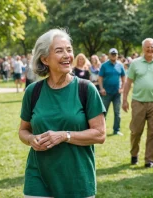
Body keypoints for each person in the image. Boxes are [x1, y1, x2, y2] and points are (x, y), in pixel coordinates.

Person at [19, 28, 106, 198]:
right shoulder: (33, 91)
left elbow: (100, 134)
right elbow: (23, 130)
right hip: (38, 178)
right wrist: (30, 139)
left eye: (69, 50)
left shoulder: (86, 89)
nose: (67, 55)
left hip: (77, 180)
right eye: (59, 51)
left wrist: (65, 135)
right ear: (45, 59)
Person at [122, 38, 153, 168]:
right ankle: (134, 154)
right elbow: (128, 82)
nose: (150, 49)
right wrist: (124, 99)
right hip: (138, 102)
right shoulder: (135, 63)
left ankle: (149, 160)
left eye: (152, 47)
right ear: (143, 48)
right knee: (136, 131)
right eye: (147, 47)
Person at [98, 48, 126, 136]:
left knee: (117, 112)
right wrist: (101, 88)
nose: (113, 55)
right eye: (112, 54)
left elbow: (123, 78)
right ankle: (101, 130)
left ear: (117, 55)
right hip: (106, 93)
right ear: (109, 55)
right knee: (103, 112)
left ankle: (116, 130)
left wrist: (122, 88)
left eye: (115, 54)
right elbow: (100, 78)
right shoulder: (104, 65)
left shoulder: (120, 65)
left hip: (117, 93)